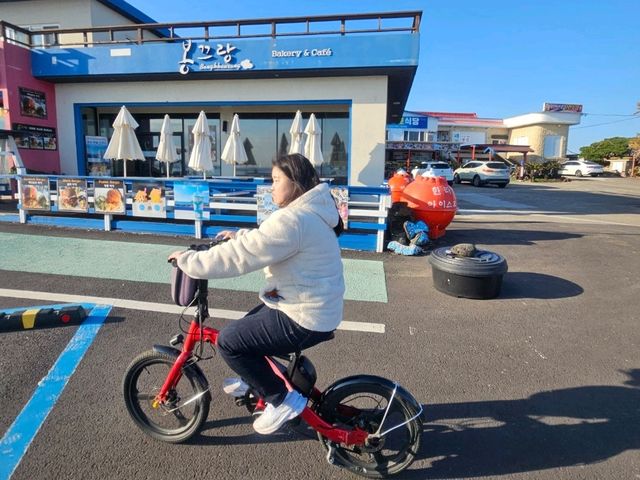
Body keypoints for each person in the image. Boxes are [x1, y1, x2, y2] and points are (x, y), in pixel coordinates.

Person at [168, 153, 345, 435]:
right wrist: (239, 236)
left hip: (304, 314)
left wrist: (190, 261)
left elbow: (242, 257)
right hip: (313, 306)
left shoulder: (293, 219)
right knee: (249, 326)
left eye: (276, 180)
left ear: (295, 183)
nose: (271, 186)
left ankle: (281, 399)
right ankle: (254, 379)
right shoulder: (310, 214)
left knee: (229, 342)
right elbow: (265, 242)